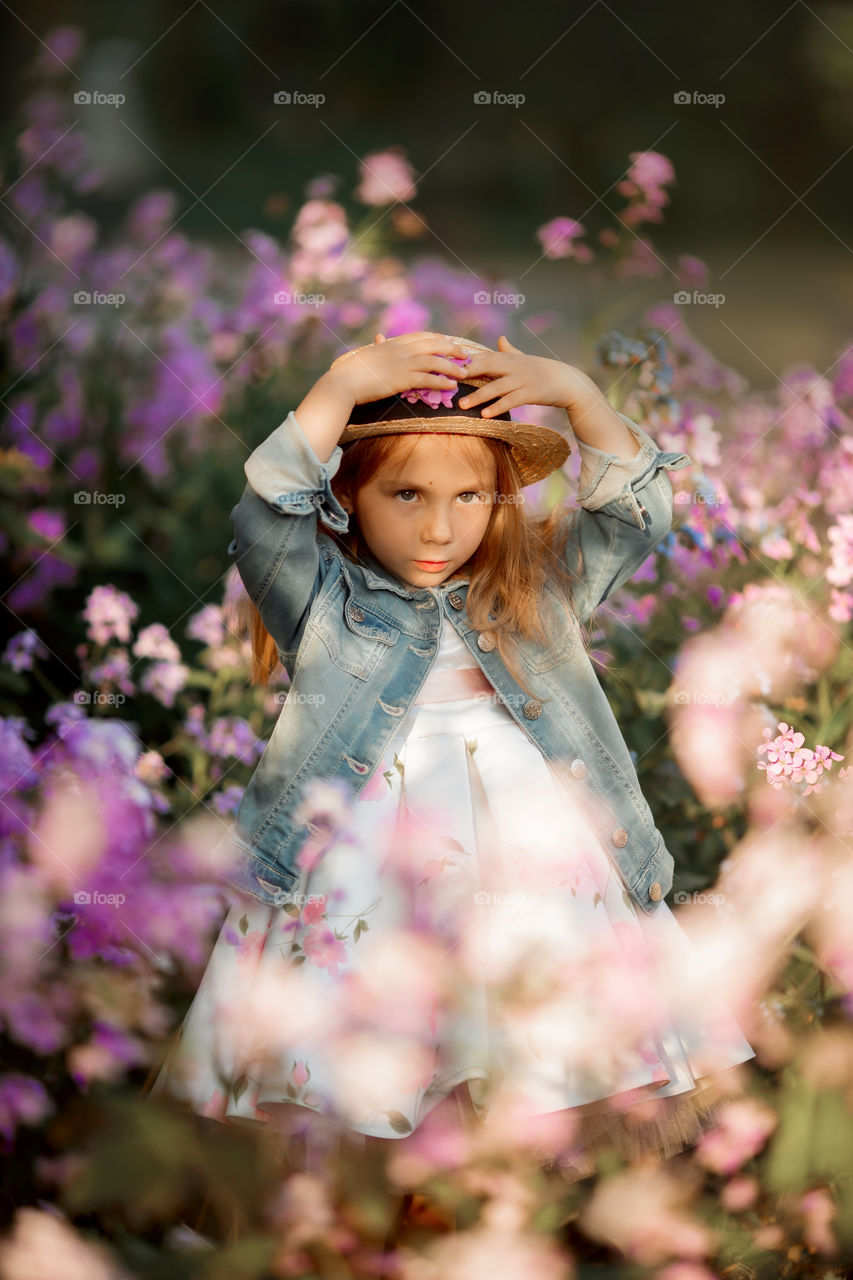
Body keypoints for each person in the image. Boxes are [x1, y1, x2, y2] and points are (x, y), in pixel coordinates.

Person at [148, 329, 755, 1227]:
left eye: (470, 494)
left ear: (500, 498)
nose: (440, 526)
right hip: (362, 853)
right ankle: (388, 1214)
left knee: (523, 1016)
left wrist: (580, 397)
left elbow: (637, 515)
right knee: (375, 1017)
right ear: (348, 496)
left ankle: (503, 1207)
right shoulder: (324, 596)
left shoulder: (533, 585)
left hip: (527, 848)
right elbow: (263, 514)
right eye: (405, 494)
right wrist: (343, 383)